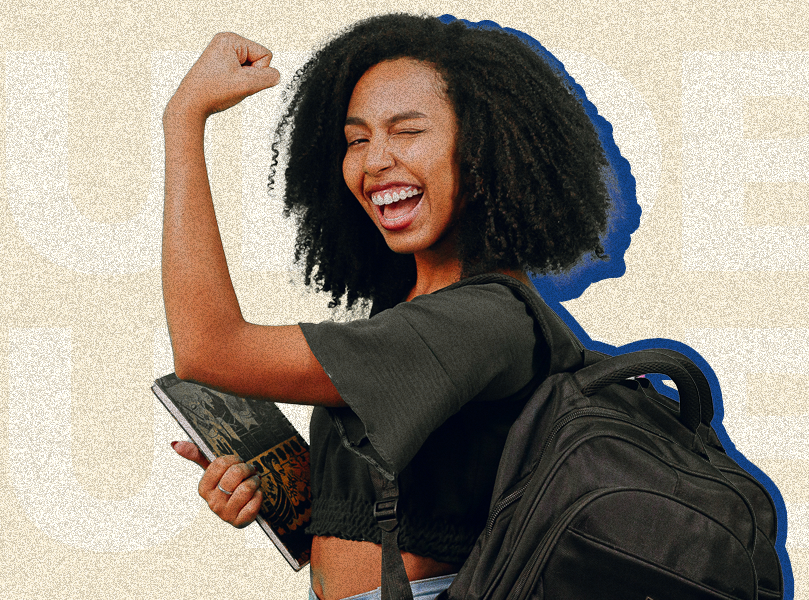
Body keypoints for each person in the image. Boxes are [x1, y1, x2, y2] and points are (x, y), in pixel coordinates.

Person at [165, 14, 612, 600]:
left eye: (406, 131)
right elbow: (395, 523)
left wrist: (182, 119)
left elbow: (210, 349)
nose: (374, 161)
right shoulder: (413, 316)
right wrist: (278, 492)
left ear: (485, 149)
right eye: (357, 140)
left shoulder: (480, 323)